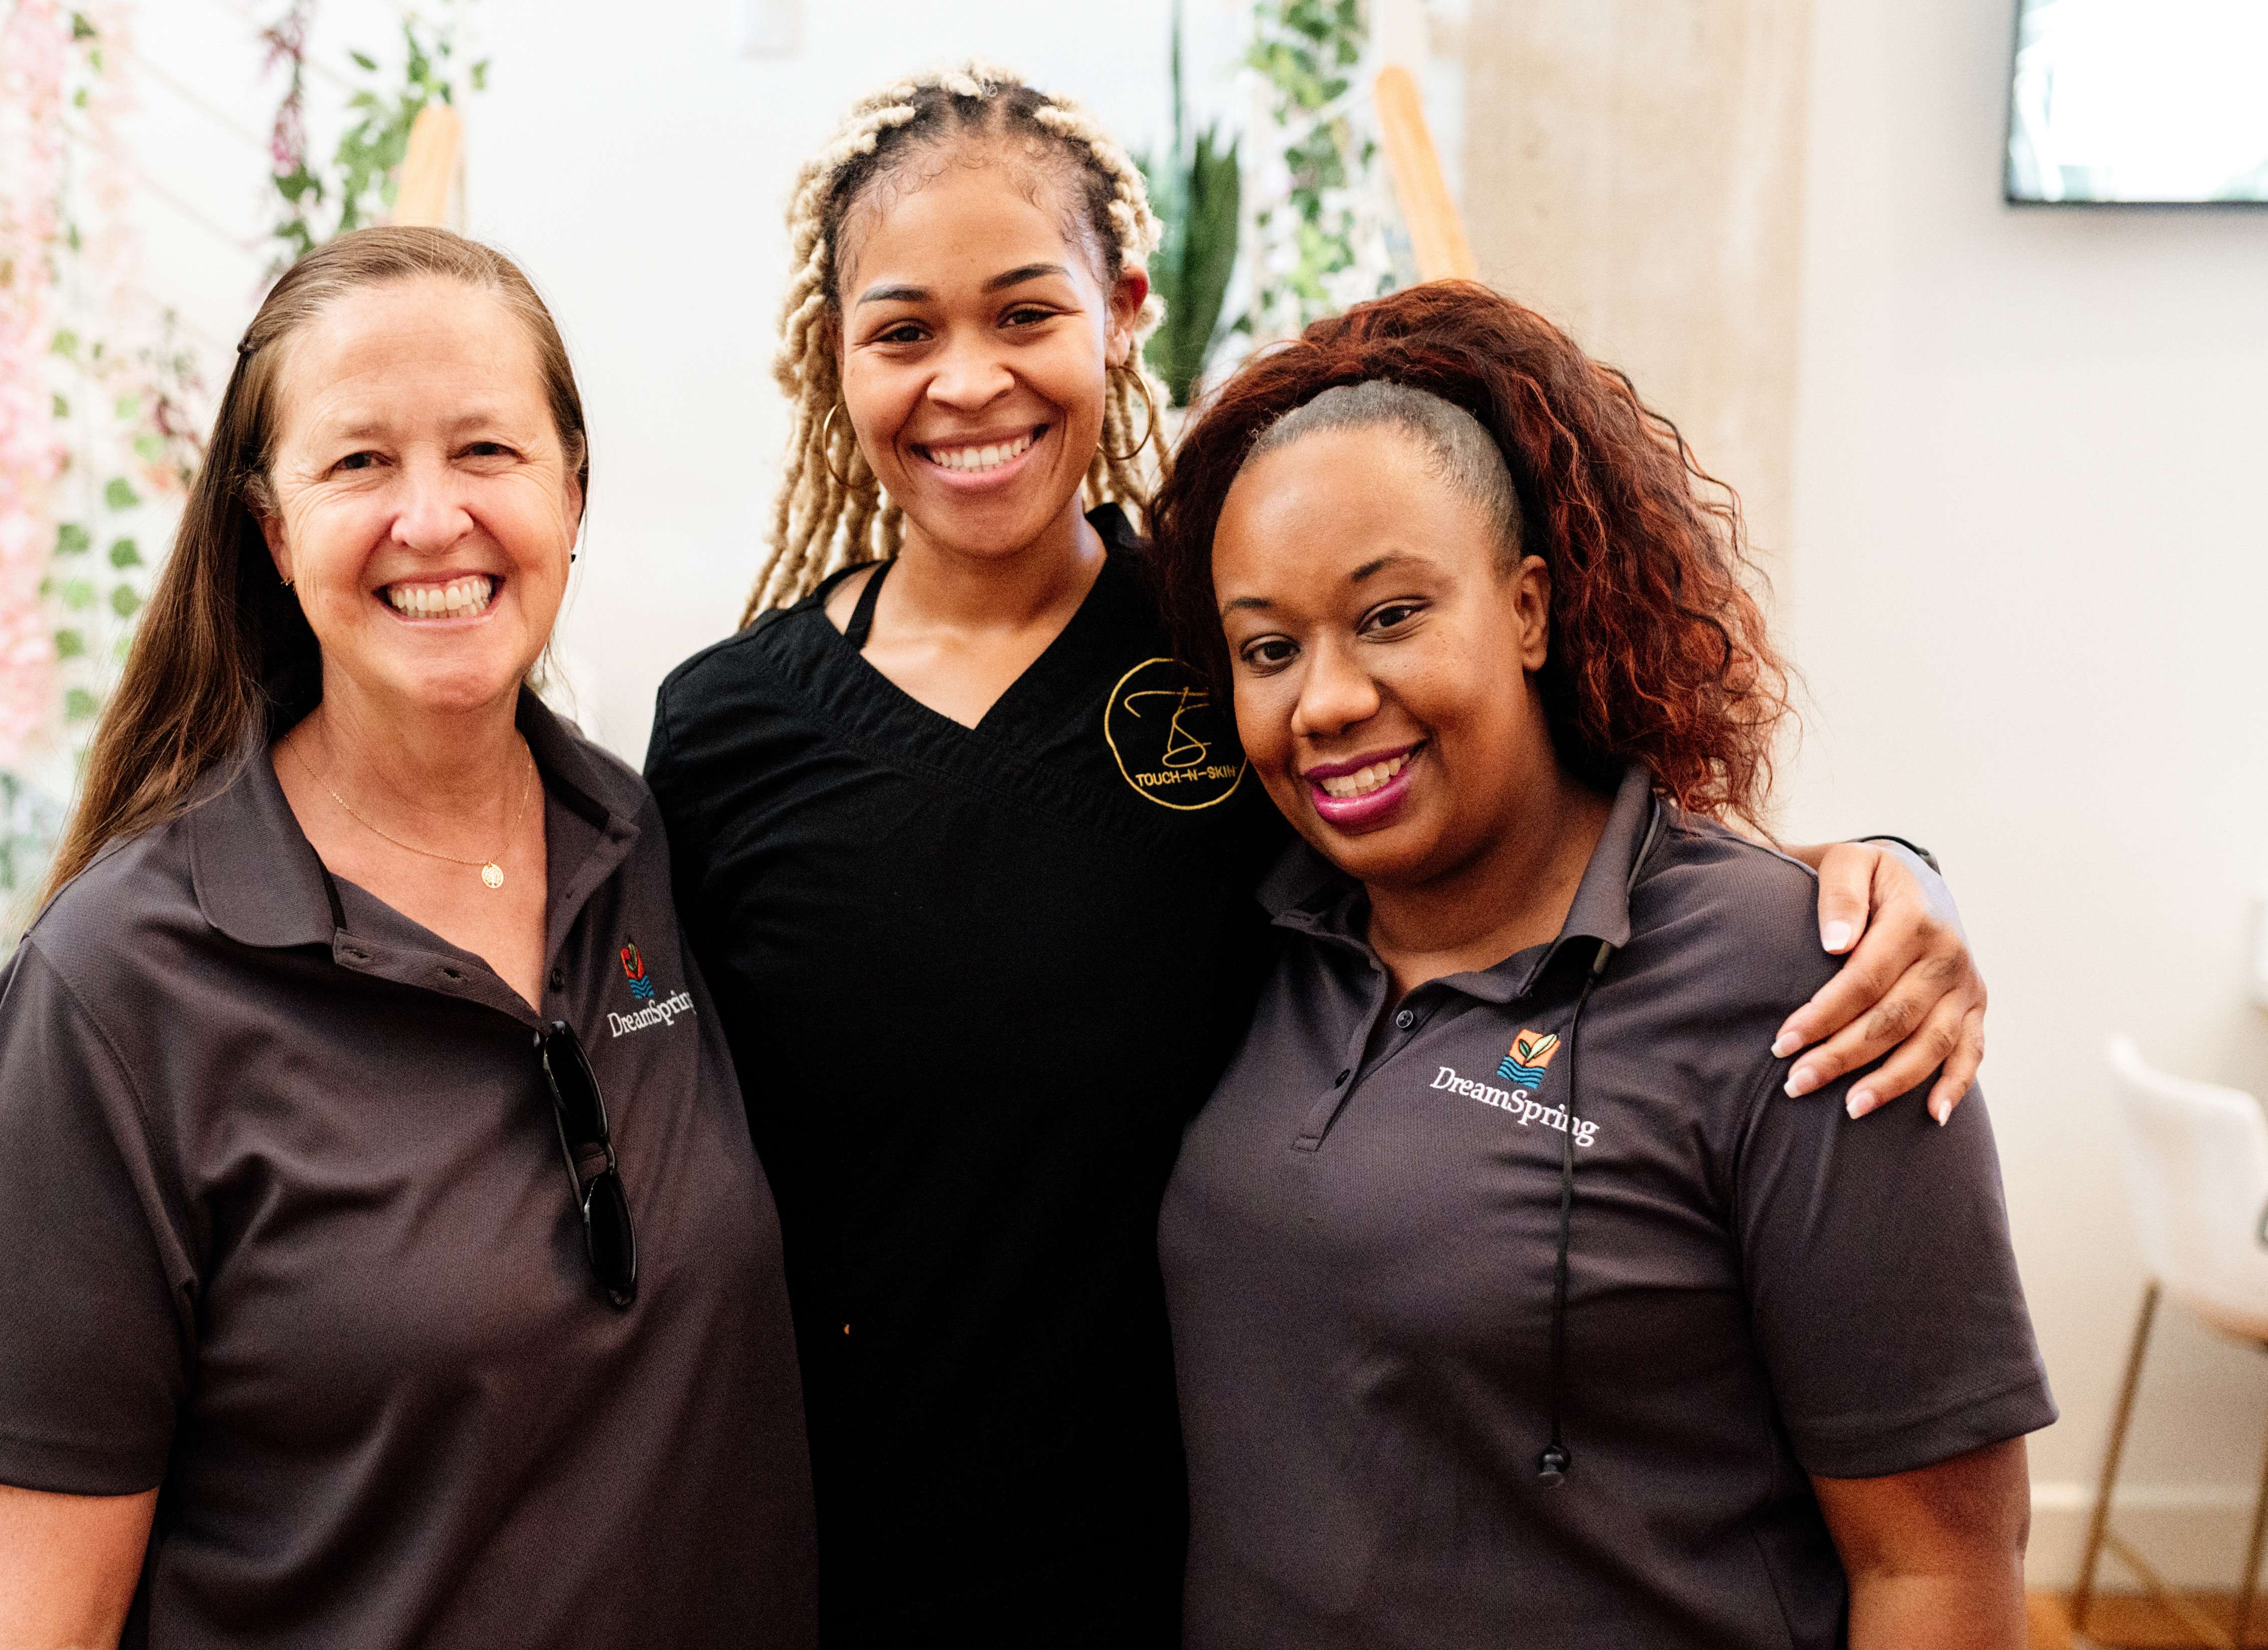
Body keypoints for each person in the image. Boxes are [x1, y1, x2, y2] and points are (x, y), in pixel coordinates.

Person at [646, 63, 1992, 1646]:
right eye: (904, 330)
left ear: (1122, 308)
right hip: (845, 1550)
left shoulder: (1234, 658)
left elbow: (1539, 831)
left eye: (1025, 313)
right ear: (833, 357)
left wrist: (1866, 877)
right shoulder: (725, 731)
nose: (969, 381)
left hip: (1189, 1554)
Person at [0, 227, 814, 1649]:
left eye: (487, 452)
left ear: (574, 492)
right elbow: (19, 1626)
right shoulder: (118, 989)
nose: (431, 520)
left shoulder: (642, 845)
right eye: (360, 462)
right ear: (271, 528)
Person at [1150, 282, 2051, 1648]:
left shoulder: (1807, 986)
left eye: (1390, 615)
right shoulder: (1250, 944)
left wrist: (1904, 873)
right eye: (1271, 648)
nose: (1327, 701)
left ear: (1528, 610)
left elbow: (1939, 1566)